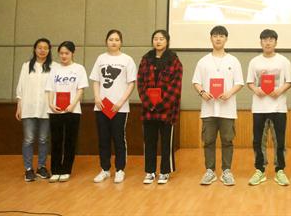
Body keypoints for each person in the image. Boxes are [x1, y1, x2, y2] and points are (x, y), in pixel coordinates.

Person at [192, 25, 244, 186]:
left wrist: (229, 93)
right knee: (208, 141)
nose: (218, 38)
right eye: (215, 36)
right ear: (211, 38)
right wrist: (202, 92)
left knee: (227, 141)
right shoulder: (203, 61)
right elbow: (196, 82)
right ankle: (210, 171)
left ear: (226, 39)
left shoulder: (233, 60)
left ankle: (226, 171)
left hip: (227, 109)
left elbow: (239, 83)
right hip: (208, 109)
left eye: (221, 36)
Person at [246, 29, 291, 186]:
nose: (268, 42)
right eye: (265, 40)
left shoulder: (284, 61)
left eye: (271, 39)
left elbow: (290, 81)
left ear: (276, 42)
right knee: (258, 141)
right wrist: (256, 89)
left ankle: (280, 170)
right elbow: (250, 82)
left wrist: (279, 90)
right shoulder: (254, 62)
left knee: (279, 141)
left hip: (278, 107)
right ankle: (260, 170)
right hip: (259, 107)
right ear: (260, 42)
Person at [90, 29, 137, 184]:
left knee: (118, 138)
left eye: (117, 39)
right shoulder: (100, 58)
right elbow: (96, 80)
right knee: (103, 139)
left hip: (119, 107)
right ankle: (104, 169)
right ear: (106, 41)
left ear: (121, 42)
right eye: (111, 39)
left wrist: (120, 102)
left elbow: (131, 83)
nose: (114, 42)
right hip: (102, 106)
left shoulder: (127, 60)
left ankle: (119, 169)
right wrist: (97, 97)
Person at [137, 30, 183, 185]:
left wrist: (162, 104)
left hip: (167, 110)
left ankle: (165, 171)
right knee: (149, 141)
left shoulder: (174, 60)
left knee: (166, 143)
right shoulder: (146, 59)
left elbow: (176, 85)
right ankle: (150, 171)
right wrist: (149, 103)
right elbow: (140, 83)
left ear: (167, 41)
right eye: (155, 39)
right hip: (148, 110)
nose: (158, 41)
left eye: (161, 39)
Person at [45, 41, 88, 183]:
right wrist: (51, 104)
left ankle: (66, 170)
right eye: (61, 53)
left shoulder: (79, 68)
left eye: (67, 53)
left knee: (70, 140)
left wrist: (72, 105)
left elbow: (80, 89)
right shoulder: (54, 69)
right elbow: (50, 88)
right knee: (56, 140)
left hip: (72, 110)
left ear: (72, 53)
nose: (64, 56)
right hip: (56, 111)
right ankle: (55, 170)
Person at [15, 38, 53, 182]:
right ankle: (28, 169)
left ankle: (41, 167)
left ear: (49, 50)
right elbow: (20, 88)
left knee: (43, 139)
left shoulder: (54, 67)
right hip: (28, 107)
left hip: (46, 108)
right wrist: (19, 106)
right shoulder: (26, 66)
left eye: (45, 48)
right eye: (39, 47)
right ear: (35, 49)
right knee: (29, 139)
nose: (42, 50)